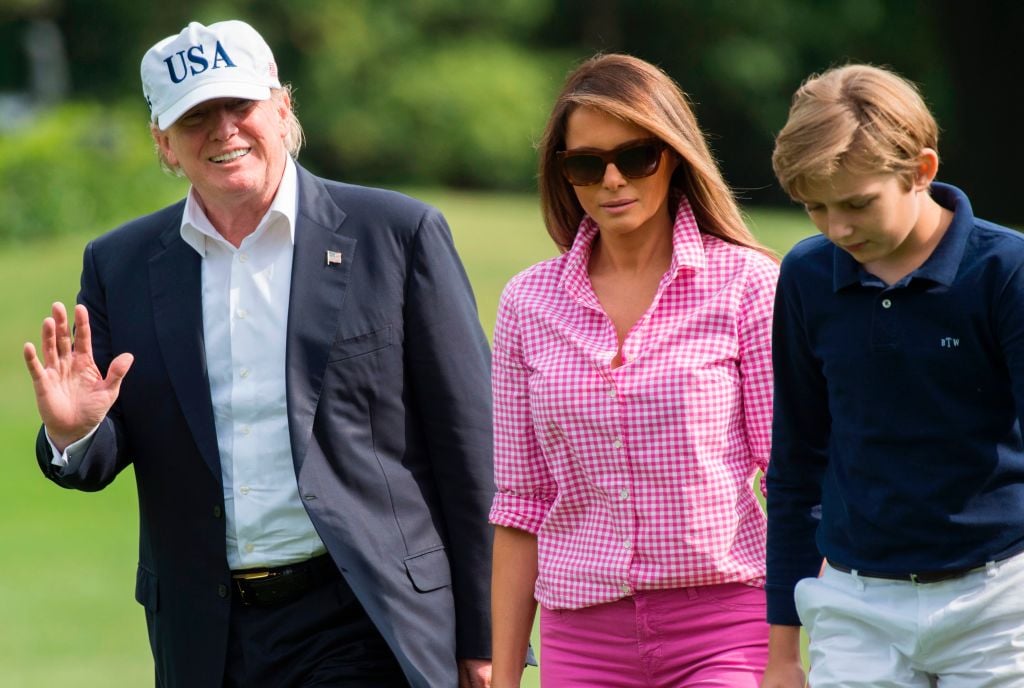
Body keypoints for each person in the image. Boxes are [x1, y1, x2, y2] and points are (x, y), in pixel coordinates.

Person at [23, 20, 494, 688]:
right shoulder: (119, 265)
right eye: (195, 118)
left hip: (364, 617)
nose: (223, 131)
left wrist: (486, 635)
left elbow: (469, 447)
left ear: (282, 107)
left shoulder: (398, 235)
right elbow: (105, 452)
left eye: (238, 106)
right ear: (164, 144)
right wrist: (75, 434)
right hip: (206, 635)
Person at [488, 53, 779, 687]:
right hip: (580, 639)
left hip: (724, 629)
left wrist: (787, 653)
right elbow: (520, 508)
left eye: (636, 156)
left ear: (673, 154)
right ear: (564, 175)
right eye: (587, 165)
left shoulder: (748, 286)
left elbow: (789, 474)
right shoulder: (526, 303)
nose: (613, 179)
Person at [764, 63, 1024, 688]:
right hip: (854, 605)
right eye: (814, 208)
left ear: (921, 170)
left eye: (857, 203)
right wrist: (780, 656)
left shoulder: (1006, 271)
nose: (838, 228)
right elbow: (797, 464)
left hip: (997, 603)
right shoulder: (805, 276)